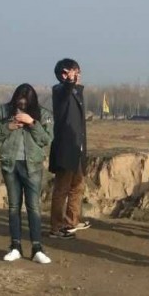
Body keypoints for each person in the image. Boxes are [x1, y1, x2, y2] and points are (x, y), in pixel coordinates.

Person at [0, 84, 53, 263]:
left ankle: (37, 248)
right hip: (10, 165)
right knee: (14, 207)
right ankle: (15, 246)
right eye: (19, 102)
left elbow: (46, 139)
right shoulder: (3, 111)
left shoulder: (43, 114)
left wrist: (32, 123)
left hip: (33, 166)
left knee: (34, 207)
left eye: (26, 103)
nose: (22, 105)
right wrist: (8, 127)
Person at [49, 58, 91, 239]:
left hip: (78, 148)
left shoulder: (75, 92)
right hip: (66, 149)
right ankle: (57, 227)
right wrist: (70, 81)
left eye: (78, 71)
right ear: (64, 74)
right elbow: (66, 90)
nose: (77, 75)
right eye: (73, 72)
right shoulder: (59, 90)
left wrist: (75, 85)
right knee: (62, 189)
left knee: (77, 187)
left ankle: (71, 222)